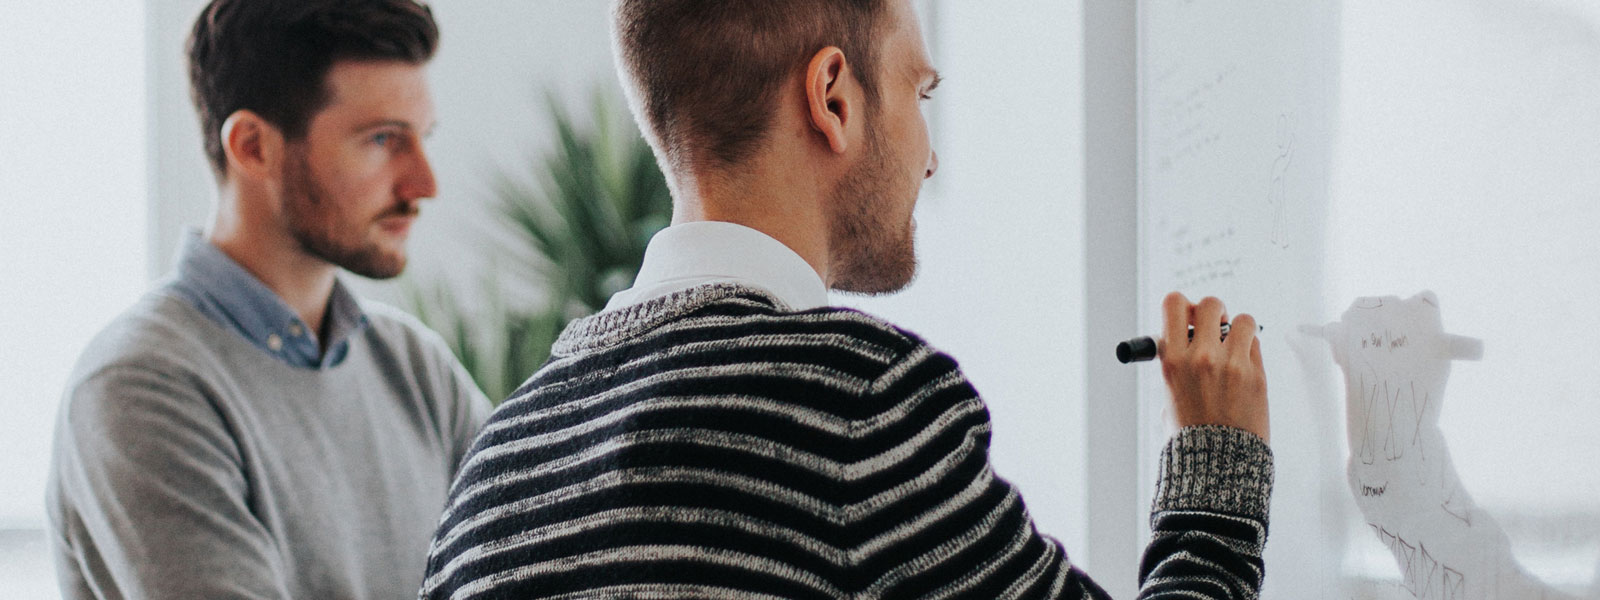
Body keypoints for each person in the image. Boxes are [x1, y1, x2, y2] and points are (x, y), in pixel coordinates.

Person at [419, 0, 1273, 597]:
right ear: (833, 96)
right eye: (919, 91)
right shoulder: (856, 399)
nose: (929, 155)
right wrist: (1215, 465)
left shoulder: (493, 468)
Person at [46, 1, 489, 598]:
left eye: (422, 138)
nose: (423, 184)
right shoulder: (137, 386)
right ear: (253, 146)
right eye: (382, 139)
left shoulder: (416, 369)